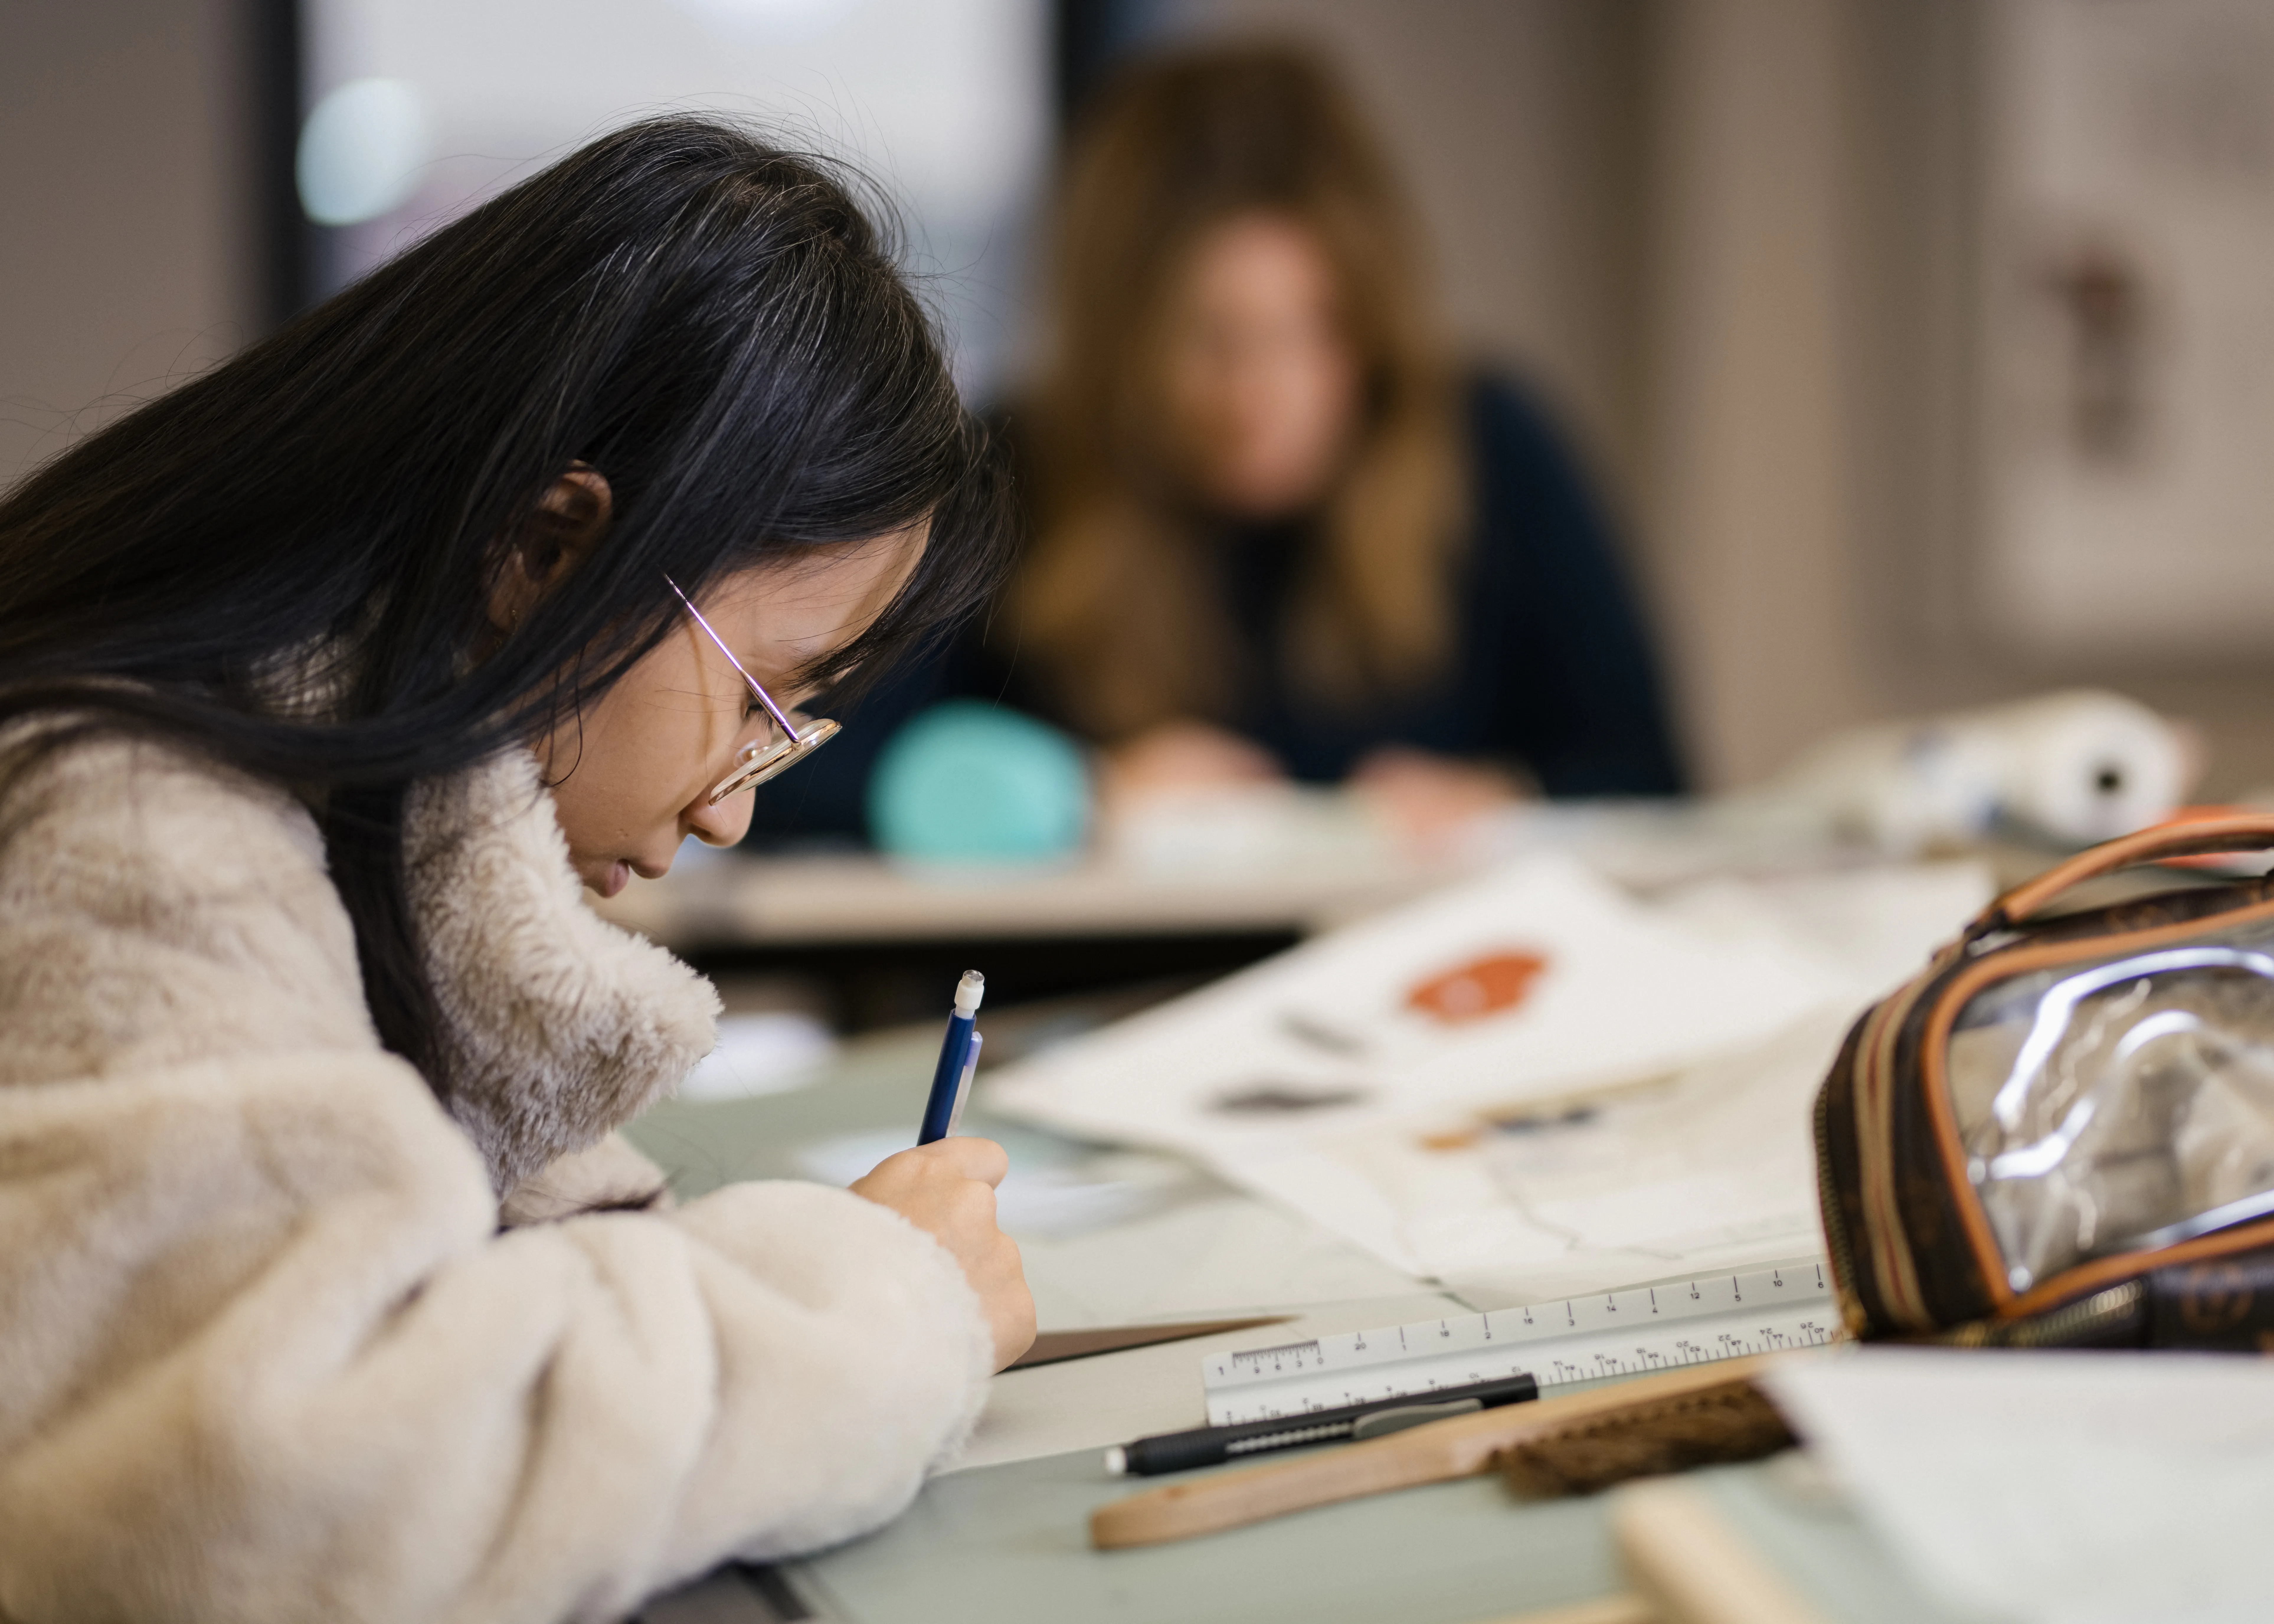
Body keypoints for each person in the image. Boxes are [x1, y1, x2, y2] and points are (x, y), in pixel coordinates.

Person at [0, 119, 1033, 1621]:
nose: (735, 810)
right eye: (758, 695)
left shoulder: (314, 809)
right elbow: (291, 1490)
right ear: (548, 548)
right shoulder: (134, 826)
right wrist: (875, 1306)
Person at [746, 44, 1683, 849]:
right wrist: (1082, 795)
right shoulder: (1007, 467)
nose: (1260, 397)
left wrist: (1506, 802)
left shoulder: (1493, 448)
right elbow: (798, 773)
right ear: (1126, 339)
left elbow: (1652, 779)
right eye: (1210, 341)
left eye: (1314, 330)